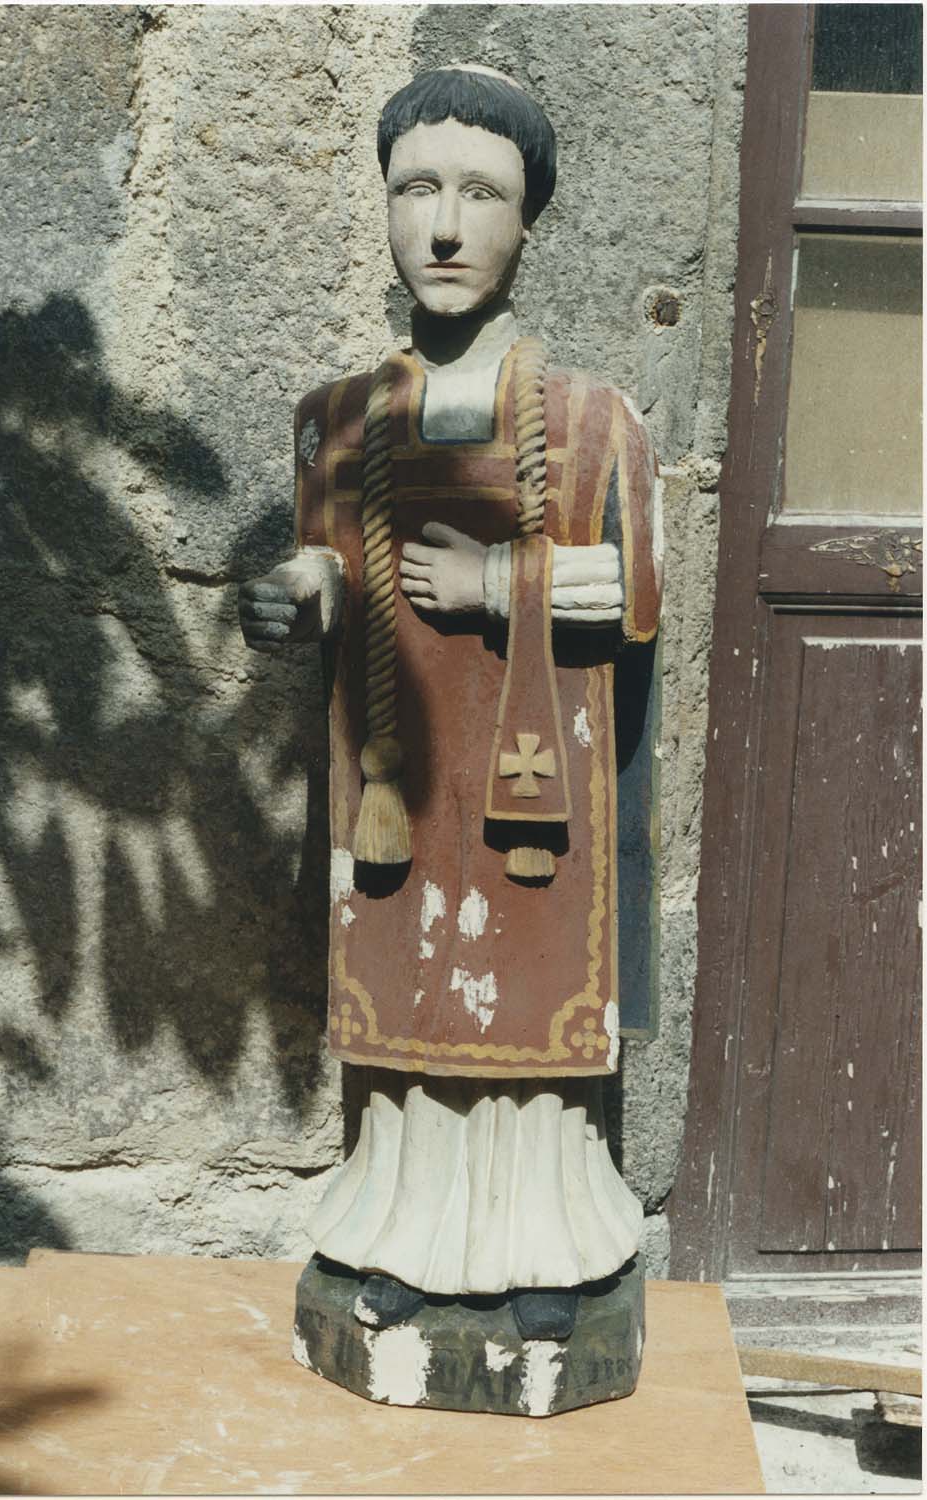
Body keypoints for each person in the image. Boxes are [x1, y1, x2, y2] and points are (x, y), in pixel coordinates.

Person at [240, 66, 661, 1343]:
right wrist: (300, 592)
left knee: (528, 996)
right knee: (412, 998)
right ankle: (403, 1234)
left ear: (528, 219)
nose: (441, 226)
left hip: (535, 775)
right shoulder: (334, 423)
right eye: (415, 188)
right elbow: (325, 555)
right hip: (395, 777)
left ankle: (547, 1243)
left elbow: (633, 590)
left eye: (480, 194)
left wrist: (498, 580)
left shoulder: (595, 424)